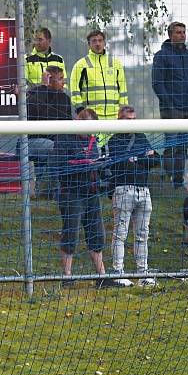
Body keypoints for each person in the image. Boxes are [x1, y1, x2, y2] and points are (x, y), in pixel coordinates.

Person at [52, 108, 110, 287]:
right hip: (71, 193)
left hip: (91, 193)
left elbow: (99, 165)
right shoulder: (64, 138)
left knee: (97, 234)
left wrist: (101, 168)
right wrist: (82, 164)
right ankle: (67, 276)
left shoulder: (95, 141)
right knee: (71, 233)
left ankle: (102, 276)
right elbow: (56, 165)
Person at [106, 106, 157, 287]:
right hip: (123, 190)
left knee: (143, 234)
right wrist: (142, 159)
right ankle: (117, 272)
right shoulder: (114, 140)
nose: (132, 123)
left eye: (134, 119)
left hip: (143, 190)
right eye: (128, 119)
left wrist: (137, 159)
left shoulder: (141, 137)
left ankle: (143, 272)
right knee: (120, 233)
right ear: (120, 120)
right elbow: (120, 165)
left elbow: (156, 160)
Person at [152, 22, 188, 187]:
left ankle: (178, 182)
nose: (182, 35)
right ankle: (167, 180)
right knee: (171, 145)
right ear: (170, 35)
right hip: (171, 109)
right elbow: (157, 83)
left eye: (184, 32)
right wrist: (169, 103)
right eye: (178, 32)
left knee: (183, 147)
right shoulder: (161, 56)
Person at [26, 65, 71, 195]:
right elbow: (36, 112)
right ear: (50, 80)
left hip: (56, 141)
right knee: (52, 147)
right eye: (60, 79)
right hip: (32, 142)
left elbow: (65, 121)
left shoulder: (64, 98)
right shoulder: (35, 94)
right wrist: (44, 87)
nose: (63, 82)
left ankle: (59, 190)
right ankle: (45, 190)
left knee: (63, 147)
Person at [70, 30, 128, 120]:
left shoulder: (115, 64)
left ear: (104, 43)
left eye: (100, 40)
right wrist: (80, 110)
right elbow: (74, 90)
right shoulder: (80, 65)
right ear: (89, 44)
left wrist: (124, 111)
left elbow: (123, 90)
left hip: (114, 117)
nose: (98, 43)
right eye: (94, 41)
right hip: (92, 118)